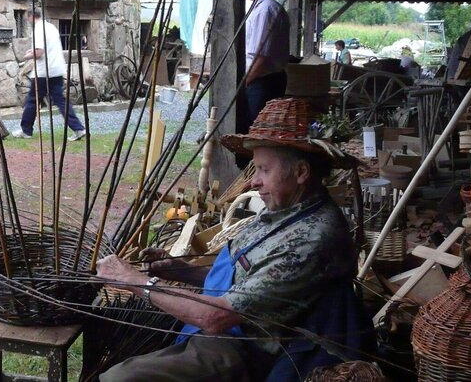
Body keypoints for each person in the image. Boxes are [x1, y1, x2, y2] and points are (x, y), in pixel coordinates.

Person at [95, 97, 368, 382]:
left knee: (120, 378)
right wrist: (180, 271)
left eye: (264, 169)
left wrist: (135, 282)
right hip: (229, 325)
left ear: (301, 172)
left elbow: (216, 317)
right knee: (110, 331)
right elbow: (248, 282)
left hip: (248, 347)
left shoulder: (310, 240)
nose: (253, 181)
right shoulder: (287, 209)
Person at [12, 8, 86, 141]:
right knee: (61, 101)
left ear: (31, 16)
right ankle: (78, 128)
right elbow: (47, 48)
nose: (27, 21)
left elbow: (39, 53)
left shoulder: (38, 30)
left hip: (44, 72)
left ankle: (26, 130)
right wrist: (33, 50)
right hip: (56, 69)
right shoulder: (51, 27)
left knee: (32, 101)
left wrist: (27, 56)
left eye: (27, 18)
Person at [241, 0, 290, 135]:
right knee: (258, 129)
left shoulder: (265, 10)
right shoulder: (266, 8)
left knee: (256, 130)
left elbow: (261, 56)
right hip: (264, 79)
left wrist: (245, 81)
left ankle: (252, 162)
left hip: (262, 81)